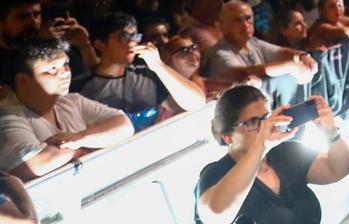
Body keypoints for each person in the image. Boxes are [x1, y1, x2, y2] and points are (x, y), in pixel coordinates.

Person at [195, 85, 349, 224]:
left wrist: (330, 131)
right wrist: (262, 145)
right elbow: (215, 212)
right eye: (252, 122)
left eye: (266, 118)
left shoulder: (285, 153)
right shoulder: (215, 173)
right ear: (228, 136)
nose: (263, 127)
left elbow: (339, 168)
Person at [0, 39, 134, 179]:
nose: (65, 73)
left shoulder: (72, 101)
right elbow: (33, 165)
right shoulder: (6, 116)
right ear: (22, 80)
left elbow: (124, 125)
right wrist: (79, 150)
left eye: (65, 64)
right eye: (52, 69)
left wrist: (79, 138)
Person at [73, 12, 205, 128]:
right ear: (100, 44)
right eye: (123, 37)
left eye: (135, 37)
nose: (132, 43)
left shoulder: (147, 76)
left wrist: (158, 65)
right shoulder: (80, 87)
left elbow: (196, 103)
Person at [202, 1, 318, 85]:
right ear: (222, 26)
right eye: (237, 21)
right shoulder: (218, 53)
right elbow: (242, 73)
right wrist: (290, 66)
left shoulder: (253, 42)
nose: (245, 25)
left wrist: (302, 56)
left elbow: (281, 52)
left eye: (248, 18)